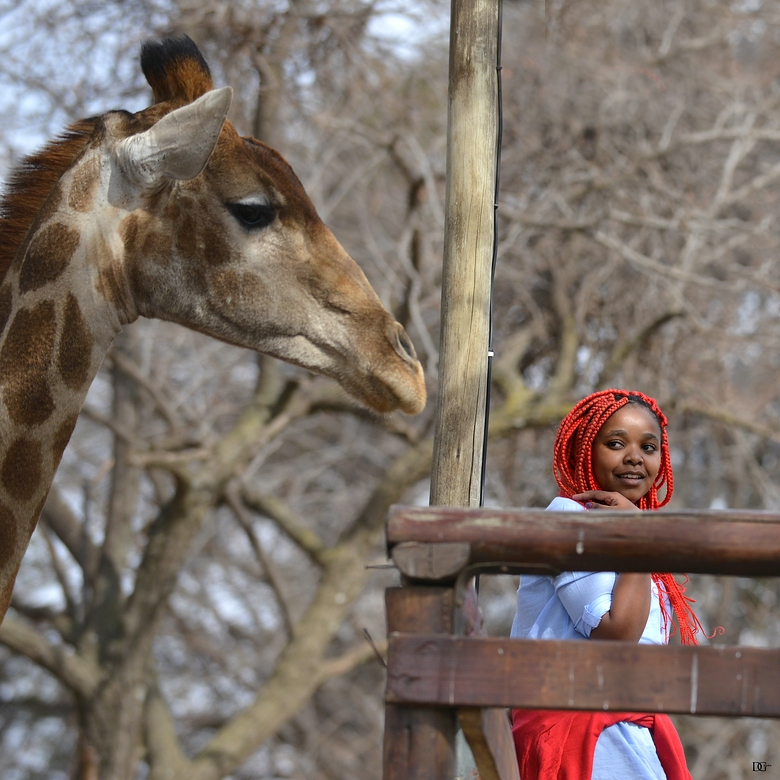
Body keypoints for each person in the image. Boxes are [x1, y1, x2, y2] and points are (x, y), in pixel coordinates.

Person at [511, 389, 710, 780]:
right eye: (615, 443)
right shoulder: (569, 517)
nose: (634, 456)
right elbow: (616, 634)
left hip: (627, 723)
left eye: (648, 447)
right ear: (585, 450)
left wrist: (638, 536)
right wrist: (639, 538)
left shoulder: (640, 540)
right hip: (579, 725)